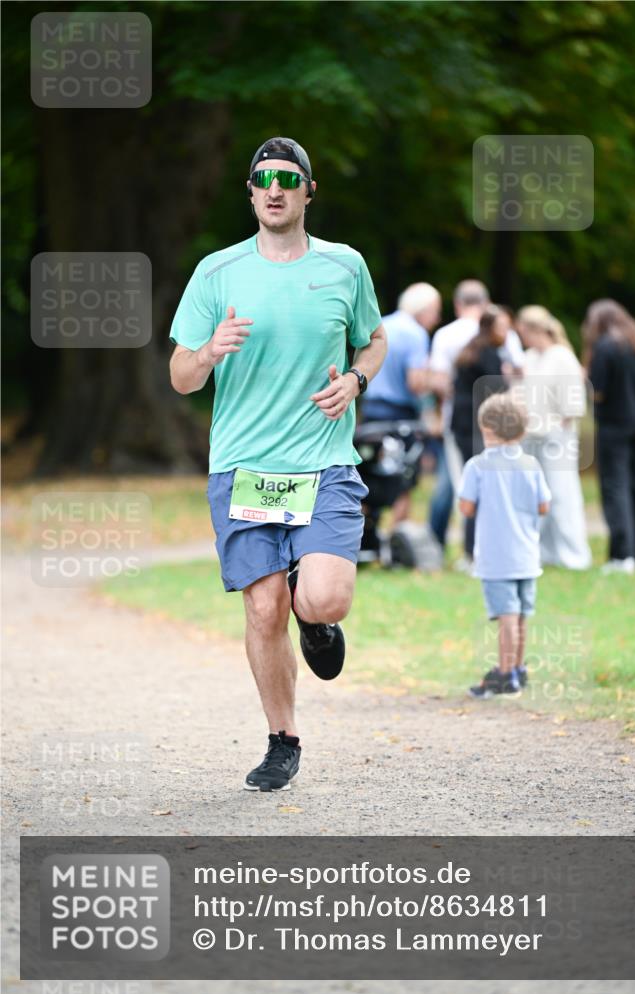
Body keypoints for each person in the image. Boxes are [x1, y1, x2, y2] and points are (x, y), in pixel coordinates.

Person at [169, 137, 387, 791]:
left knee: (324, 597)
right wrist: (208, 351)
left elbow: (374, 338)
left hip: (322, 462)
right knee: (263, 610)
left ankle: (315, 625)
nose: (273, 188)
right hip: (243, 468)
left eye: (286, 178)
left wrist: (355, 380)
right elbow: (180, 376)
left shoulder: (344, 266)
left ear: (306, 192)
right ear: (250, 191)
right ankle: (281, 740)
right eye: (262, 178)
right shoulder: (216, 272)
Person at [458, 393, 551, 697]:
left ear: (486, 429)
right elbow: (543, 506)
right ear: (522, 431)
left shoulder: (477, 466)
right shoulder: (531, 464)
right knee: (521, 615)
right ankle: (518, 668)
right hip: (527, 554)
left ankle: (504, 672)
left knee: (506, 617)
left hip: (497, 557)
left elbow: (467, 508)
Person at [428, 280, 523, 554]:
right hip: (483, 428)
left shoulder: (453, 339)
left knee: (459, 482)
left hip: (457, 423)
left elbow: (440, 381)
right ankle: (478, 547)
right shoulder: (492, 350)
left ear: (458, 304)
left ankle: (442, 544)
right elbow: (511, 381)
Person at [582, 299, 635, 574]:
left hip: (614, 426)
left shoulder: (605, 347)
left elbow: (598, 390)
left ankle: (621, 554)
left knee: (615, 487)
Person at [515, 305, 592, 570]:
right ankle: (544, 551)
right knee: (537, 495)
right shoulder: (530, 357)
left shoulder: (561, 357)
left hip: (557, 436)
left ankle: (574, 555)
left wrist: (557, 427)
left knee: (562, 493)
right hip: (531, 436)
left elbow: (572, 402)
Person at [362, 282, 441, 525]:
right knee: (403, 479)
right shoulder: (415, 334)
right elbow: (415, 382)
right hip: (400, 416)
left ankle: (365, 537)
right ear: (424, 309)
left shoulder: (381, 325)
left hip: (371, 410)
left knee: (369, 475)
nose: (436, 319)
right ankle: (396, 538)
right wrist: (435, 382)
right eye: (435, 312)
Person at [450, 305, 513, 566]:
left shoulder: (471, 349)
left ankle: (470, 549)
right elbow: (497, 392)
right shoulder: (488, 354)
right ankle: (477, 549)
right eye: (503, 327)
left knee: (473, 484)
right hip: (477, 429)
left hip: (463, 425)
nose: (507, 333)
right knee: (483, 488)